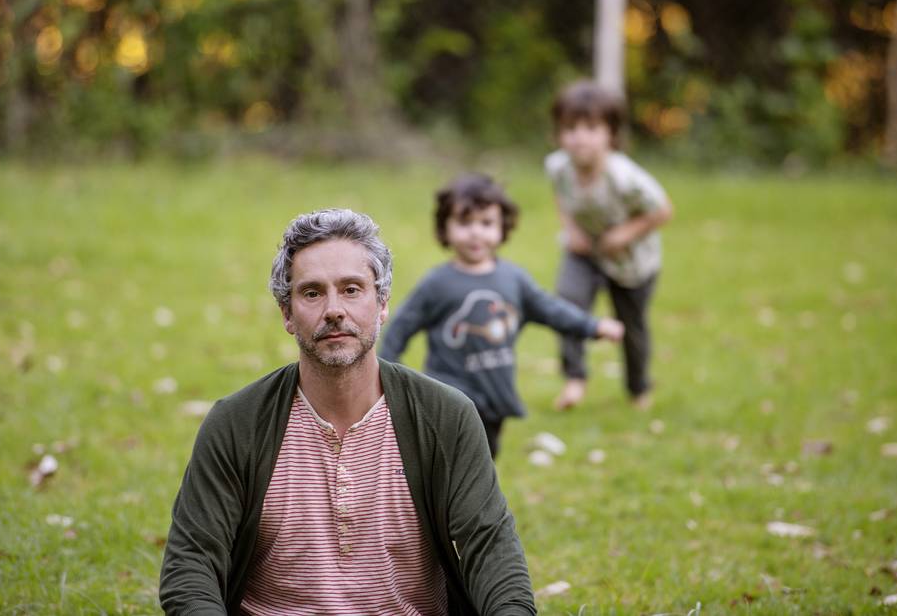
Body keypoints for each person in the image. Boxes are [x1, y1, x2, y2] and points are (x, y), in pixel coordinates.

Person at [159, 208, 536, 615]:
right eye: (312, 293)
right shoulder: (236, 423)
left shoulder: (446, 416)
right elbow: (191, 564)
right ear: (287, 313)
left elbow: (491, 549)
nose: (334, 309)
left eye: (352, 289)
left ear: (383, 304)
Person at [379, 175, 624, 459]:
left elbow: (552, 310)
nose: (475, 233)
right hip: (449, 398)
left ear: (502, 228)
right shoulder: (437, 284)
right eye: (464, 222)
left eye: (486, 223)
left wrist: (593, 326)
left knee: (484, 465)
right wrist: (391, 383)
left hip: (495, 396)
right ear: (445, 228)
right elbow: (398, 329)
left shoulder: (513, 279)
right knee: (449, 466)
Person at [544, 80, 673, 411]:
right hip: (584, 251)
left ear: (610, 133)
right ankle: (575, 377)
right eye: (570, 128)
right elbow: (561, 194)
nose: (579, 137)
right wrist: (571, 229)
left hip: (631, 262)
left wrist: (625, 234)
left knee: (631, 327)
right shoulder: (559, 166)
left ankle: (638, 388)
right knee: (568, 304)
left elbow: (662, 210)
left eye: (590, 128)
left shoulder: (624, 177)